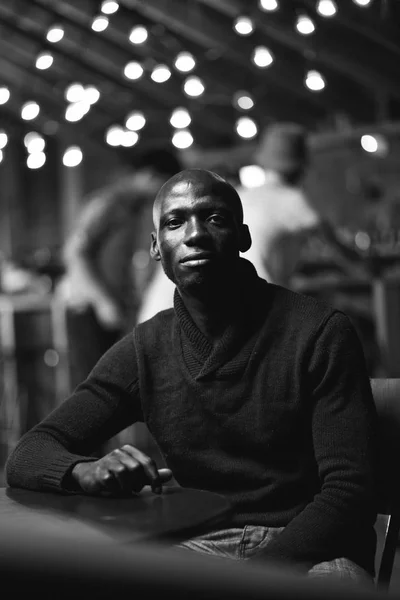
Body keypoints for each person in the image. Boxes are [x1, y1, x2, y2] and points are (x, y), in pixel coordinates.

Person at [6, 169, 378, 584]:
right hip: (201, 545)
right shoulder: (146, 348)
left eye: (214, 219)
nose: (195, 233)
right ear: (156, 247)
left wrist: (253, 578)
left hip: (314, 552)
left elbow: (349, 494)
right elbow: (30, 452)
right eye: (174, 221)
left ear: (244, 237)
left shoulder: (320, 332)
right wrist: (82, 471)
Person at [56, 147, 182, 389]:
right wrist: (102, 301)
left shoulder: (136, 209)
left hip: (113, 310)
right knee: (93, 389)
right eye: (162, 183)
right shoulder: (108, 203)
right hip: (89, 309)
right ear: (148, 175)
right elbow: (74, 253)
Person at [238, 122, 368, 289]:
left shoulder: (240, 195)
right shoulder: (291, 199)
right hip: (266, 300)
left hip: (234, 297)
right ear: (299, 168)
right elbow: (335, 246)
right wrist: (365, 266)